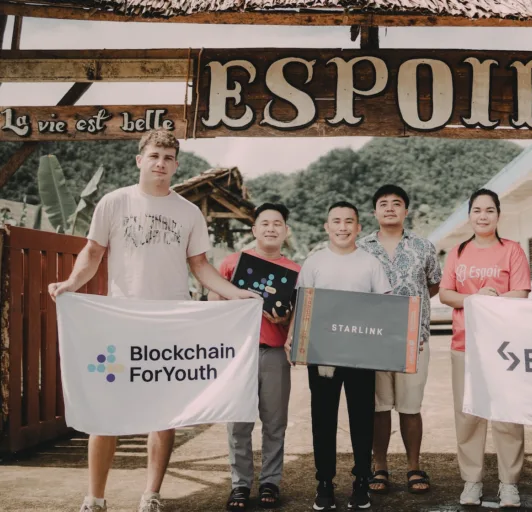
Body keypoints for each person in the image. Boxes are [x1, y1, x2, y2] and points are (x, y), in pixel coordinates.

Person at [47, 129, 257, 512]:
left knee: (165, 413)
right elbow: (92, 253)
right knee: (105, 411)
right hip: (122, 320)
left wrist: (235, 293)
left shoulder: (188, 212)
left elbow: (200, 266)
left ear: (176, 165)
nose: (161, 162)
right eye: (155, 155)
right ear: (140, 159)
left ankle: (151, 494)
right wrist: (72, 283)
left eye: (168, 157)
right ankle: (94, 497)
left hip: (169, 324)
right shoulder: (114, 202)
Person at [289, 201, 392, 511]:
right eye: (337, 221)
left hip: (361, 355)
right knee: (323, 419)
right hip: (323, 354)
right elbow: (302, 304)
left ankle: (362, 481)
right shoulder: (315, 262)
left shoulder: (370, 263)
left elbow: (384, 307)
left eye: (349, 221)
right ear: (327, 227)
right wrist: (295, 340)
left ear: (358, 227)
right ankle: (325, 483)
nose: (343, 226)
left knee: (362, 419)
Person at [438, 189, 530, 508]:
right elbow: (446, 294)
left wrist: (490, 303)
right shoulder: (458, 252)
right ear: (469, 215)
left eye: (489, 210)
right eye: (477, 210)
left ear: (498, 215)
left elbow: (520, 292)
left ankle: (509, 483)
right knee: (468, 415)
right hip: (465, 345)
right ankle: (472, 481)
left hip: (505, 347)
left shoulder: (512, 251)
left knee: (506, 415)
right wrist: (477, 300)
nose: (483, 216)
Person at [210, 203, 300, 510]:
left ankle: (270, 482)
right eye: (265, 223)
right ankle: (240, 485)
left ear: (285, 231)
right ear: (254, 229)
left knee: (275, 423)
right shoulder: (231, 264)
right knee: (238, 423)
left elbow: (299, 319)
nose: (271, 228)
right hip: (238, 355)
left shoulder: (295, 272)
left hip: (275, 355)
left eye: (278, 223)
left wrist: (285, 319)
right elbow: (214, 305)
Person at [357, 185, 442, 496]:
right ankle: (380, 466)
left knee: (410, 407)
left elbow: (431, 285)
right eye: (383, 203)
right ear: (374, 212)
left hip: (413, 342)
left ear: (406, 211)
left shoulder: (423, 247)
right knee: (378, 408)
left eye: (396, 203)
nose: (390, 208)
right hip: (374, 342)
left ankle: (413, 466)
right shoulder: (361, 248)